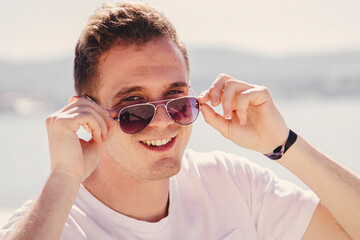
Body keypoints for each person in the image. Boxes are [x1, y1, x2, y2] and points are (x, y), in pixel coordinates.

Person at [1, 2, 359, 240]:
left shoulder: (232, 183)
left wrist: (285, 144)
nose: (162, 122)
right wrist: (63, 177)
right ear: (85, 113)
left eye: (177, 101)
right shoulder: (55, 222)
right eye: (134, 108)